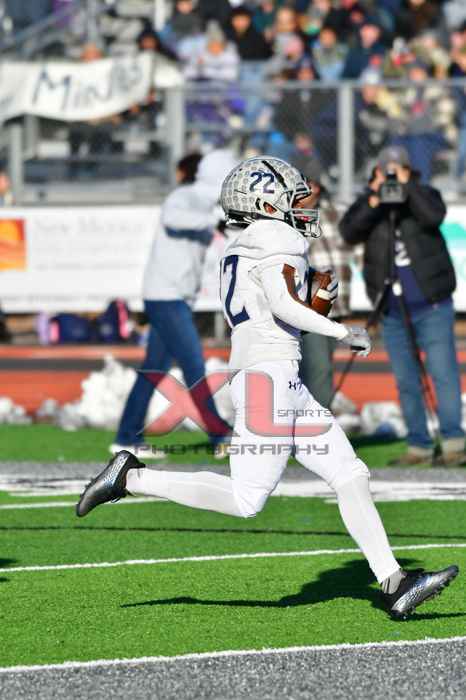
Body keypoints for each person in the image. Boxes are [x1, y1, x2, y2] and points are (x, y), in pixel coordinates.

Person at [77, 155, 459, 620]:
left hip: (278, 377)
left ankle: (394, 582)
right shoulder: (278, 237)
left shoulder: (240, 245)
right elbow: (281, 303)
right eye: (292, 199)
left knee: (349, 473)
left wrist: (311, 306)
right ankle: (130, 479)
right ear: (265, 202)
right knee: (246, 499)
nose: (302, 207)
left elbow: (271, 307)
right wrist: (340, 329)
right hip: (268, 380)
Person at [339, 145, 465, 466]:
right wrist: (375, 196)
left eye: (399, 170)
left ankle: (453, 444)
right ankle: (419, 446)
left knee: (443, 373)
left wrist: (409, 188)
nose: (393, 176)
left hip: (431, 304)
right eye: (387, 171)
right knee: (406, 380)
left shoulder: (425, 194)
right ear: (377, 172)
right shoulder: (371, 201)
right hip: (391, 309)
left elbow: (433, 216)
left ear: (409, 169)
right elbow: (349, 232)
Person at [111, 149, 237, 459]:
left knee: (154, 370)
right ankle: (219, 434)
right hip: (166, 296)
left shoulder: (208, 204)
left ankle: (126, 437)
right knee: (194, 365)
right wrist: (214, 219)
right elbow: (172, 218)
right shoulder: (186, 196)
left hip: (173, 296)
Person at [300, 182, 352, 409]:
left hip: (335, 301)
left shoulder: (336, 211)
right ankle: (317, 422)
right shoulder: (288, 216)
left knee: (322, 366)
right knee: (318, 366)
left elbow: (354, 244)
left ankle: (311, 418)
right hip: (307, 304)